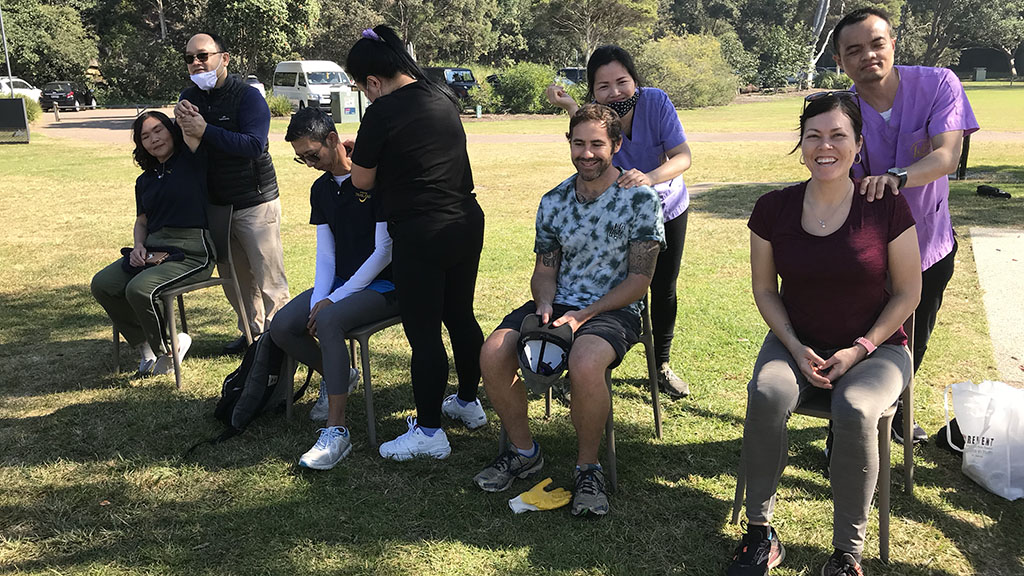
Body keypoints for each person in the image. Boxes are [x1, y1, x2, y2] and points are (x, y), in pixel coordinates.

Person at [727, 92, 921, 576]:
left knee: (855, 409)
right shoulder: (773, 208)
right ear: (801, 143)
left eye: (838, 136)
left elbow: (908, 294)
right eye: (813, 135)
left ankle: (846, 553)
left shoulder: (886, 207)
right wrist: (793, 345)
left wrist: (860, 349)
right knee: (768, 393)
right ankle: (760, 533)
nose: (825, 146)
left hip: (877, 349)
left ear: (858, 145)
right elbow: (764, 289)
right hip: (797, 342)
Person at [472, 104, 665, 516]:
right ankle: (524, 452)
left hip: (616, 307)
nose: (587, 153)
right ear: (569, 144)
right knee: (492, 352)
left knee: (584, 361)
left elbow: (639, 281)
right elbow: (545, 270)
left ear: (616, 144)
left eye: (597, 144)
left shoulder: (640, 199)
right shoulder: (553, 201)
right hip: (558, 303)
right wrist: (544, 301)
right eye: (579, 143)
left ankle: (587, 468)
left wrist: (584, 315)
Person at [833, 7, 979, 444]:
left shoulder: (938, 84)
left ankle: (896, 415)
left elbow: (946, 156)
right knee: (861, 335)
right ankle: (842, 432)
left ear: (893, 43)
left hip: (930, 243)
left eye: (877, 44)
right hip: (869, 248)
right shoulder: (844, 109)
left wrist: (897, 176)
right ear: (841, 62)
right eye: (853, 50)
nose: (868, 56)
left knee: (914, 337)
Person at [344, 25, 487, 461]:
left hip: (421, 231)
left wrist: (362, 156)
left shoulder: (381, 113)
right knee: (460, 316)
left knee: (423, 332)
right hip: (465, 218)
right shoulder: (442, 94)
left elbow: (362, 179)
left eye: (362, 88)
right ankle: (467, 400)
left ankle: (429, 431)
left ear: (372, 81)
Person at [546, 45, 693, 399]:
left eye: (622, 81)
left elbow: (683, 156)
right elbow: (585, 140)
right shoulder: (596, 117)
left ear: (635, 80)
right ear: (593, 91)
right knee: (598, 286)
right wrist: (568, 107)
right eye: (603, 86)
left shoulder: (656, 102)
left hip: (665, 205)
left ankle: (660, 365)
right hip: (614, 215)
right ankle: (578, 367)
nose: (615, 92)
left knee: (663, 287)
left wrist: (650, 177)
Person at [270, 107, 399, 470]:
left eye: (313, 155)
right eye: (302, 159)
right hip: (342, 284)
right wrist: (319, 297)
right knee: (282, 326)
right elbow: (326, 254)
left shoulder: (373, 179)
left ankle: (337, 432)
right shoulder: (321, 189)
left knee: (328, 322)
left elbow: (383, 251)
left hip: (386, 284)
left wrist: (333, 301)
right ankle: (339, 373)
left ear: (332, 139)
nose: (310, 164)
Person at [175, 32, 290, 355]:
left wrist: (205, 130)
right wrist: (190, 137)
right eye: (189, 58)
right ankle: (252, 334)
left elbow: (254, 146)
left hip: (256, 201)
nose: (197, 63)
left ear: (224, 58)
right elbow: (190, 155)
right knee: (235, 279)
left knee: (269, 277)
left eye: (203, 56)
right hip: (218, 206)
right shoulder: (188, 99)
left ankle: (280, 338)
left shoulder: (248, 97)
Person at [91, 111, 215, 376]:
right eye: (145, 136)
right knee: (103, 284)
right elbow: (142, 221)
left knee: (139, 288)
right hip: (154, 249)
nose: (154, 139)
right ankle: (146, 348)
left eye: (158, 130)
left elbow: (196, 131)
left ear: (171, 130)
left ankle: (171, 347)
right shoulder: (144, 179)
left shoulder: (192, 161)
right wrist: (138, 246)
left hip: (192, 252)